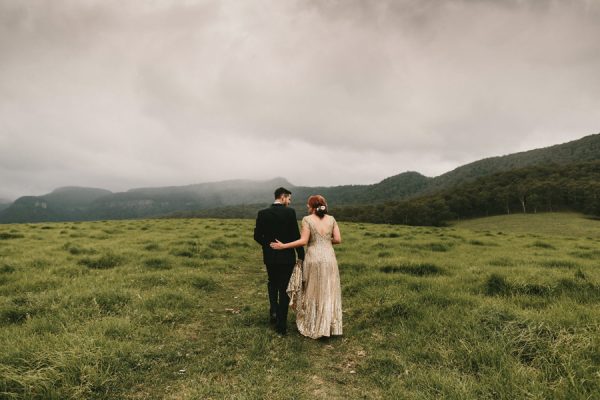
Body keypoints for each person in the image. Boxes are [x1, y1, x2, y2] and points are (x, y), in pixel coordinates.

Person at [270, 195, 342, 339]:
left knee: (312, 289)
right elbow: (338, 240)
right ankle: (329, 326)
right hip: (329, 258)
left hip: (313, 258)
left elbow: (303, 241)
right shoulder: (332, 219)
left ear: (312, 206)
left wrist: (284, 246)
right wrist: (325, 241)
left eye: (308, 205)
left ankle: (314, 324)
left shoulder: (307, 219)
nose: (306, 207)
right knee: (328, 289)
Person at [254, 187, 305, 335]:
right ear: (282, 197)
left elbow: (257, 236)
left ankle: (274, 310)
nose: (289, 202)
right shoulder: (290, 213)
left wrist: (268, 246)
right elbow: (296, 236)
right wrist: (301, 255)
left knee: (272, 282)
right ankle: (281, 326)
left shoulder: (262, 213)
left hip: (270, 257)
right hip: (287, 257)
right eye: (288, 198)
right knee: (284, 288)